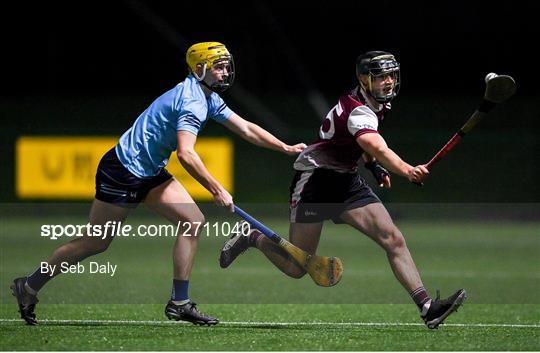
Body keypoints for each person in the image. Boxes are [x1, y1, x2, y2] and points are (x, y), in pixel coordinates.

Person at [11, 42, 306, 326]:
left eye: (227, 67)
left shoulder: (207, 96)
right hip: (122, 171)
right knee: (95, 243)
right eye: (218, 67)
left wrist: (284, 147)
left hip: (150, 172)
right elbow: (186, 154)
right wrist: (217, 189)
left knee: (192, 221)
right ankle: (29, 285)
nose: (225, 73)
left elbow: (245, 128)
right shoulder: (190, 101)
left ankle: (179, 303)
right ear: (199, 68)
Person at [219, 50, 467, 329]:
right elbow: (375, 145)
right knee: (297, 267)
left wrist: (372, 167)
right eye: (380, 76)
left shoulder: (376, 102)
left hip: (347, 183)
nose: (388, 82)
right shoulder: (358, 111)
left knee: (392, 238)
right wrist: (407, 170)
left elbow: (364, 147)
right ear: (364, 78)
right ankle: (252, 237)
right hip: (315, 183)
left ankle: (427, 308)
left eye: (391, 75)